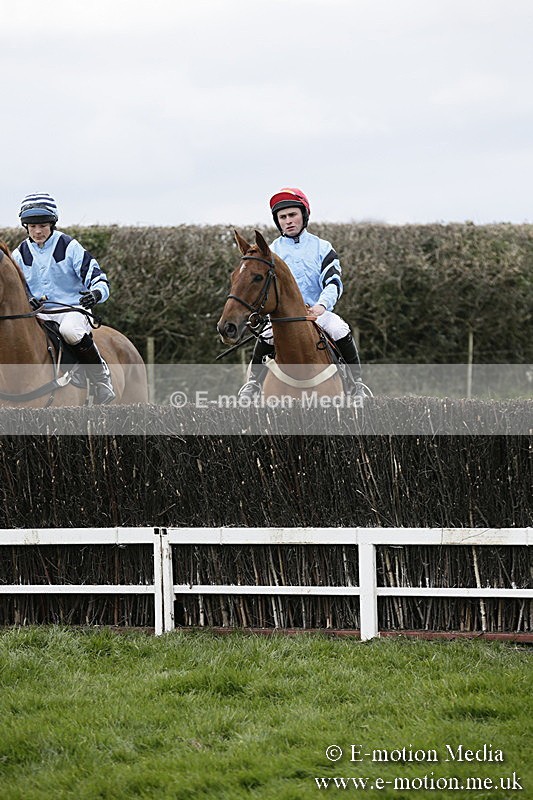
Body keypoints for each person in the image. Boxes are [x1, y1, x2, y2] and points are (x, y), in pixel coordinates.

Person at [239, 187, 367, 398]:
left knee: (339, 328)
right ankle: (253, 385)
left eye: (292, 215)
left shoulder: (322, 247)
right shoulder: (272, 252)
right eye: (282, 217)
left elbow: (334, 282)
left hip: (317, 312)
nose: (288, 221)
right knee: (266, 335)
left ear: (303, 216)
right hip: (284, 317)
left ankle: (356, 385)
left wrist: (321, 306)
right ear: (277, 221)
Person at [11, 192, 115, 404]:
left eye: (42, 225)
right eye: (32, 226)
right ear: (26, 227)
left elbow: (99, 280)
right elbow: (17, 289)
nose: (37, 231)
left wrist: (95, 295)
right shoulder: (19, 254)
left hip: (72, 310)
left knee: (70, 331)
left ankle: (101, 378)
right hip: (40, 315)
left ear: (52, 224)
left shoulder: (69, 246)